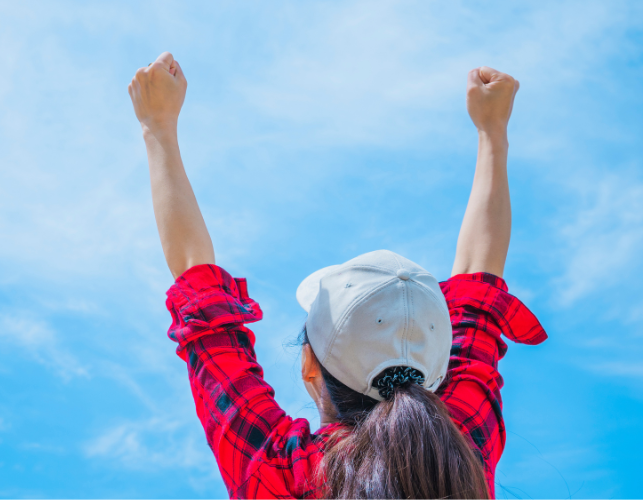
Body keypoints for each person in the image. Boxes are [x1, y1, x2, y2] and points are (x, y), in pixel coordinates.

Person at [128, 52, 548, 499]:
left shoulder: (284, 472)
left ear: (310, 366)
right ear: (437, 373)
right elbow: (478, 283)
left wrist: (158, 125)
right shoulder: (461, 456)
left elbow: (202, 295)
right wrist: (493, 133)